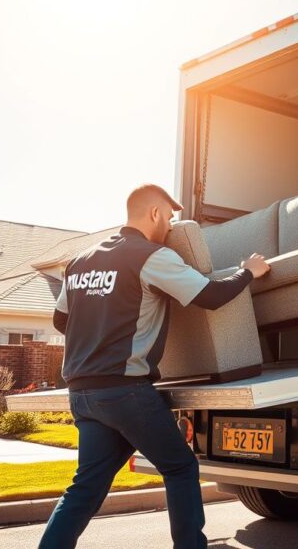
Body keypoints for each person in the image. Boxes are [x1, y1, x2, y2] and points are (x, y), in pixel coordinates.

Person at [39, 183, 270, 549]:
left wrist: (100, 329)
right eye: (170, 217)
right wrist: (247, 272)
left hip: (82, 394)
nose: (171, 226)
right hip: (125, 392)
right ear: (155, 214)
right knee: (179, 466)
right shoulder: (151, 256)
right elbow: (210, 296)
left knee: (85, 487)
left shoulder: (80, 261)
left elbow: (61, 321)